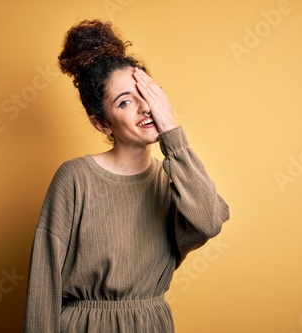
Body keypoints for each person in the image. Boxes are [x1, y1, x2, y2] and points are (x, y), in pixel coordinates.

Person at [25, 19, 230, 333]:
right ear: (102, 124)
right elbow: (44, 281)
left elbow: (209, 220)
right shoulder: (75, 178)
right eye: (125, 102)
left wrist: (171, 131)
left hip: (151, 325)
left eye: (146, 95)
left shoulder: (173, 181)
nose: (144, 109)